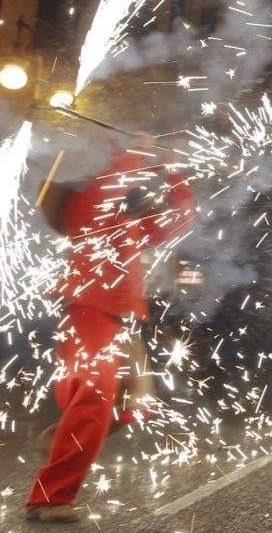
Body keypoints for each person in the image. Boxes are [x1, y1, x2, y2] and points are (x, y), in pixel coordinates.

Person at [25, 134, 196, 523]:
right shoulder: (84, 211)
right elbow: (112, 181)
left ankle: (60, 438)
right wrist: (138, 147)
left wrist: (173, 171)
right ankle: (50, 497)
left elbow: (179, 221)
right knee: (93, 403)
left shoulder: (122, 224)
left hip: (123, 326)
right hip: (91, 317)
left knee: (136, 407)